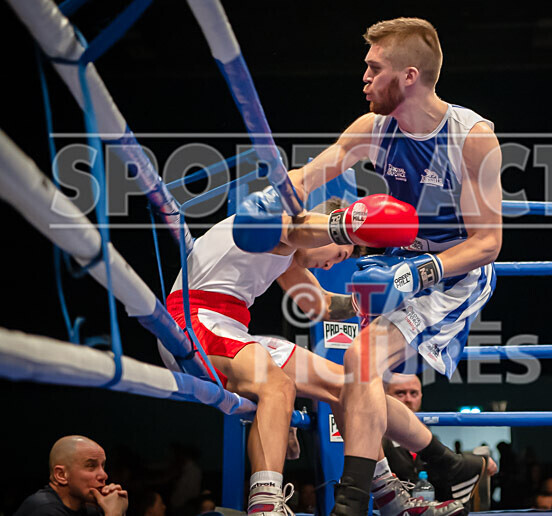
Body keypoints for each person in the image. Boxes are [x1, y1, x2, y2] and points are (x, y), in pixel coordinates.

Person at [284, 17, 502, 514]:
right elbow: (315, 171)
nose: (363, 77)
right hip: (394, 259)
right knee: (354, 371)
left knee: (361, 361)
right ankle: (450, 466)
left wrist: (420, 273)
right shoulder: (373, 128)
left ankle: (354, 503)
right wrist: (284, 190)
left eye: (373, 67)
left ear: (408, 75)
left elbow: (488, 243)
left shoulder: (471, 138)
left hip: (454, 274)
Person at [165, 197, 477, 516]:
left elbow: (321, 305)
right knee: (278, 386)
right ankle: (266, 505)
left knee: (350, 386)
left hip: (229, 328)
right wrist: (353, 225)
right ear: (328, 230)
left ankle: (390, 499)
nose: (329, 266)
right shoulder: (275, 225)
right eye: (337, 254)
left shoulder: (286, 256)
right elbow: (301, 229)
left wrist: (379, 299)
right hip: (192, 320)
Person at [14, 435, 128, 516]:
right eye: (91, 466)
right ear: (61, 475)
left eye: (102, 466)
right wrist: (114, 514)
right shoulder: (43, 510)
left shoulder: (90, 510)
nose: (104, 475)